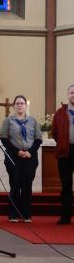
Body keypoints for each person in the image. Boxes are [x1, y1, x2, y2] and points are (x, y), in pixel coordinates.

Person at [0, 95, 42, 223]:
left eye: (22, 103)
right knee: (15, 184)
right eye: (17, 103)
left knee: (27, 185)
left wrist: (30, 152)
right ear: (14, 106)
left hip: (30, 157)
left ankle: (26, 214)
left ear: (25, 105)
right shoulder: (8, 121)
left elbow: (38, 139)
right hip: (14, 156)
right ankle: (13, 214)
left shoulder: (33, 121)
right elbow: (4, 138)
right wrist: (17, 152)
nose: (20, 105)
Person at [52, 84, 74, 225]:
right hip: (65, 152)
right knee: (66, 185)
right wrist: (63, 143)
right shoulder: (60, 112)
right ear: (68, 95)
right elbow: (54, 132)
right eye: (71, 93)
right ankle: (65, 216)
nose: (73, 95)